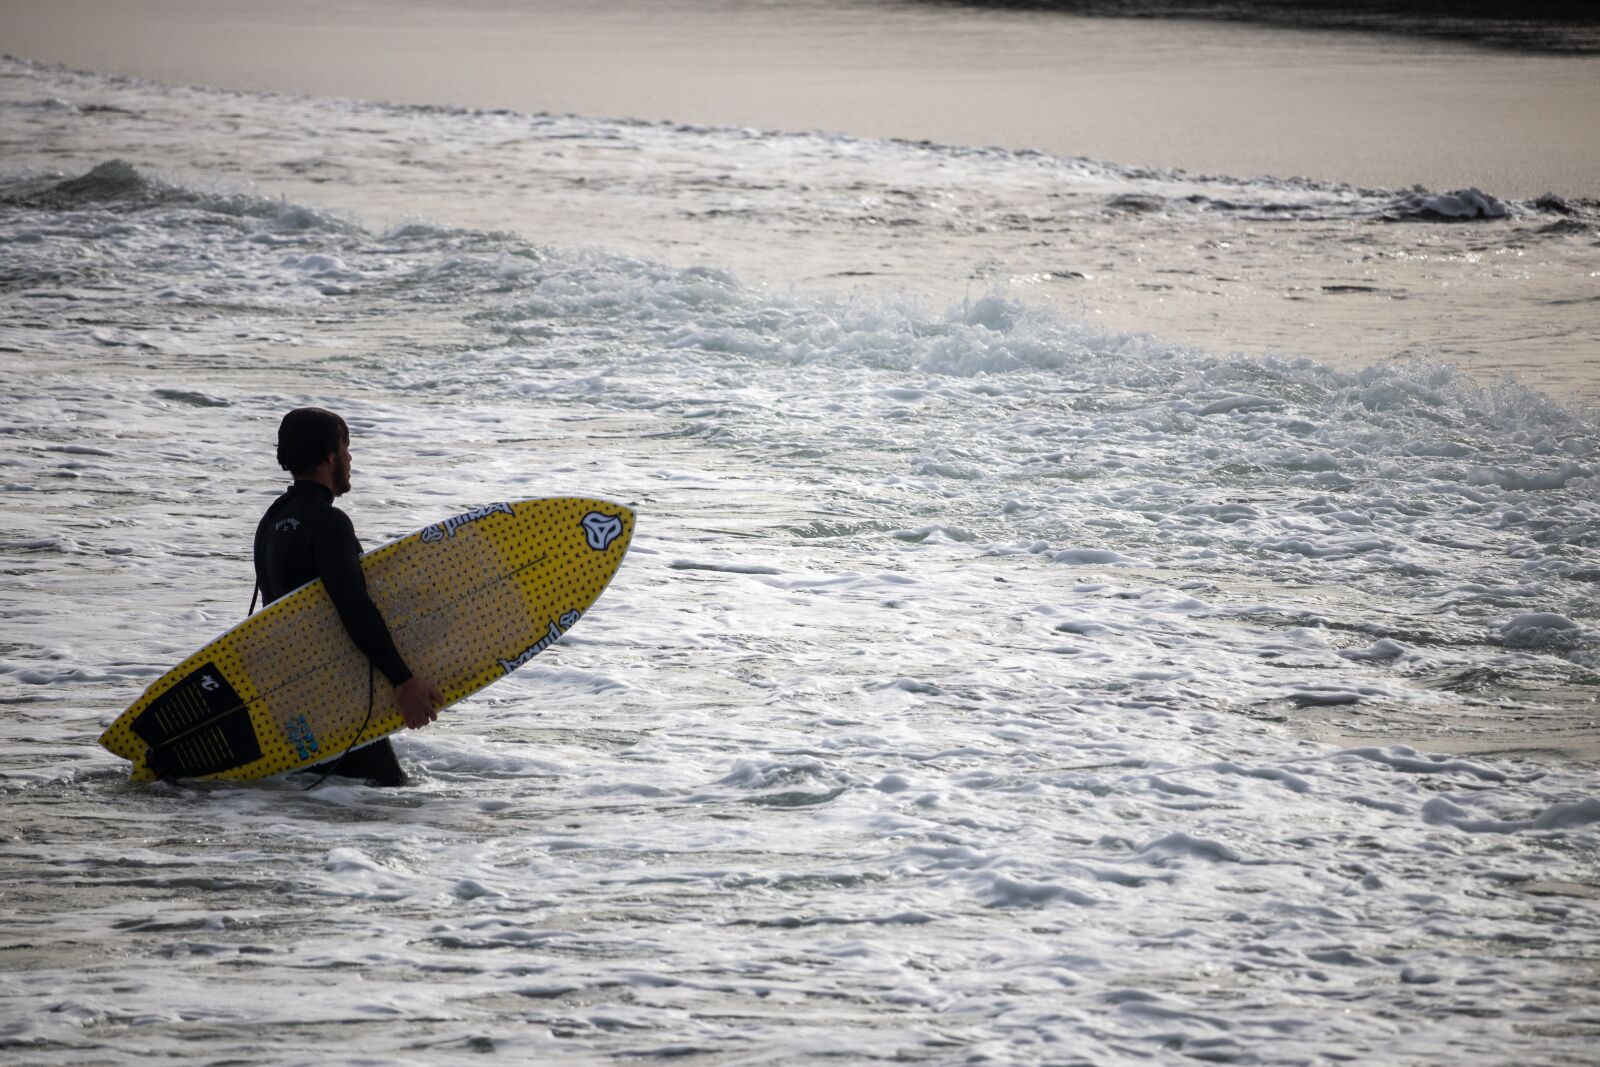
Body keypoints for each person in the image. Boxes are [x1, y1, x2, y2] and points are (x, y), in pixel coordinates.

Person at [253, 407, 443, 786]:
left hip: (295, 708)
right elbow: (353, 606)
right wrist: (404, 681)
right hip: (338, 703)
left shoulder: (271, 521)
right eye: (346, 447)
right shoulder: (328, 524)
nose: (350, 458)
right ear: (329, 455)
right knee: (386, 797)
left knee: (321, 807)